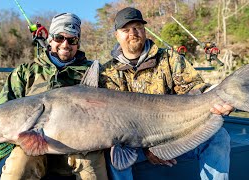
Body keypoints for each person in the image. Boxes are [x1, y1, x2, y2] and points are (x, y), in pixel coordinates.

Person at [100, 7, 233, 180]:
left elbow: (195, 89)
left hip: (175, 135)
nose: (133, 33)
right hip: (135, 146)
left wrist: (218, 99)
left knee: (218, 136)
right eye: (126, 30)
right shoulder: (107, 73)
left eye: (138, 27)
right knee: (112, 157)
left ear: (144, 30)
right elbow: (114, 123)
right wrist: (149, 149)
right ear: (117, 35)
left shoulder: (170, 58)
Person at [0, 13, 108, 180]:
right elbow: (4, 111)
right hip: (31, 145)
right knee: (17, 169)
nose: (65, 44)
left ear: (78, 43)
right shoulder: (24, 72)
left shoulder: (95, 72)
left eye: (72, 40)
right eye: (59, 37)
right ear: (49, 39)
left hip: (82, 144)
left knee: (93, 171)